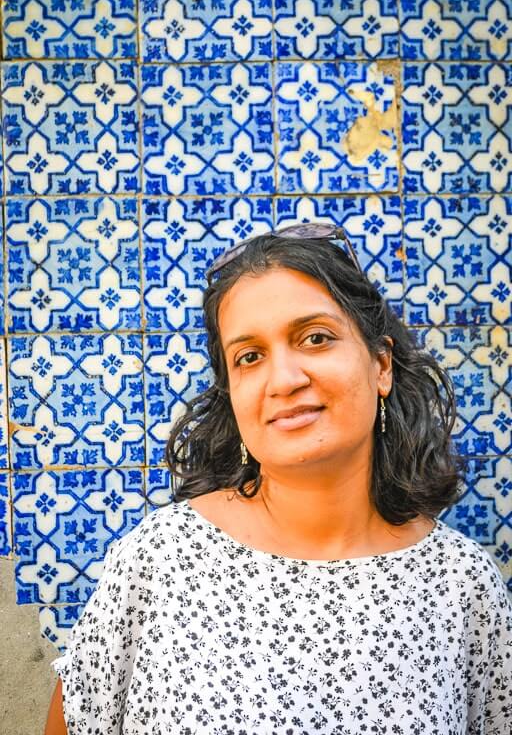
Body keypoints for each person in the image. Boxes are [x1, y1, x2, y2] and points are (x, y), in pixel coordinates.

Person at [45, 224, 512, 734]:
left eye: (314, 338)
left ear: (381, 365)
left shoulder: (463, 586)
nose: (284, 379)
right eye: (249, 356)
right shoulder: (159, 560)